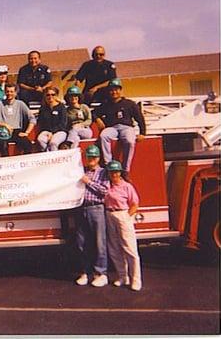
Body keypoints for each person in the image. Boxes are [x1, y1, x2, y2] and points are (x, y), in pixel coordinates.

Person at [94, 78, 146, 175]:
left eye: (116, 89)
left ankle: (125, 170)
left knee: (130, 141)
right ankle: (108, 164)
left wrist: (142, 133)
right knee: (103, 136)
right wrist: (97, 119)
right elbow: (94, 113)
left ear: (121, 90)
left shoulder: (130, 103)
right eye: (112, 90)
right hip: (112, 127)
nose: (114, 92)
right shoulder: (106, 104)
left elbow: (140, 118)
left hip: (126, 127)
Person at [104, 160, 142, 291]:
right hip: (109, 215)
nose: (114, 174)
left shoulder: (127, 186)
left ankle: (136, 280)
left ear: (120, 172)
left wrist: (127, 216)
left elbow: (135, 203)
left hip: (123, 214)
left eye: (116, 172)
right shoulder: (107, 185)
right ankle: (122, 276)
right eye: (111, 172)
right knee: (114, 248)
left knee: (129, 248)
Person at [75, 145, 109, 287]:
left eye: (94, 157)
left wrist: (88, 182)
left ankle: (100, 273)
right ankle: (85, 272)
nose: (91, 160)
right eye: (89, 157)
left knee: (99, 243)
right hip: (82, 208)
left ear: (98, 158)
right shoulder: (81, 171)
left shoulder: (103, 173)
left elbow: (104, 190)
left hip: (97, 209)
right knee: (81, 243)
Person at [0, 83, 36, 157]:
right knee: (3, 146)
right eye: (7, 91)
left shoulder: (20, 104)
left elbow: (32, 119)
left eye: (11, 91)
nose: (9, 94)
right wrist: (4, 125)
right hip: (3, 131)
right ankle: (6, 165)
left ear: (15, 92)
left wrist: (27, 132)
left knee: (28, 145)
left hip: (16, 130)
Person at [36, 86, 68, 151]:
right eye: (48, 95)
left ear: (56, 95)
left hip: (60, 131)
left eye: (53, 94)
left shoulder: (61, 107)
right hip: (46, 131)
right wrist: (47, 132)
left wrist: (52, 132)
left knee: (53, 143)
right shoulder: (43, 108)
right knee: (40, 140)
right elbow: (40, 123)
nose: (50, 97)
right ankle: (47, 156)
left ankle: (54, 159)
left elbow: (63, 124)